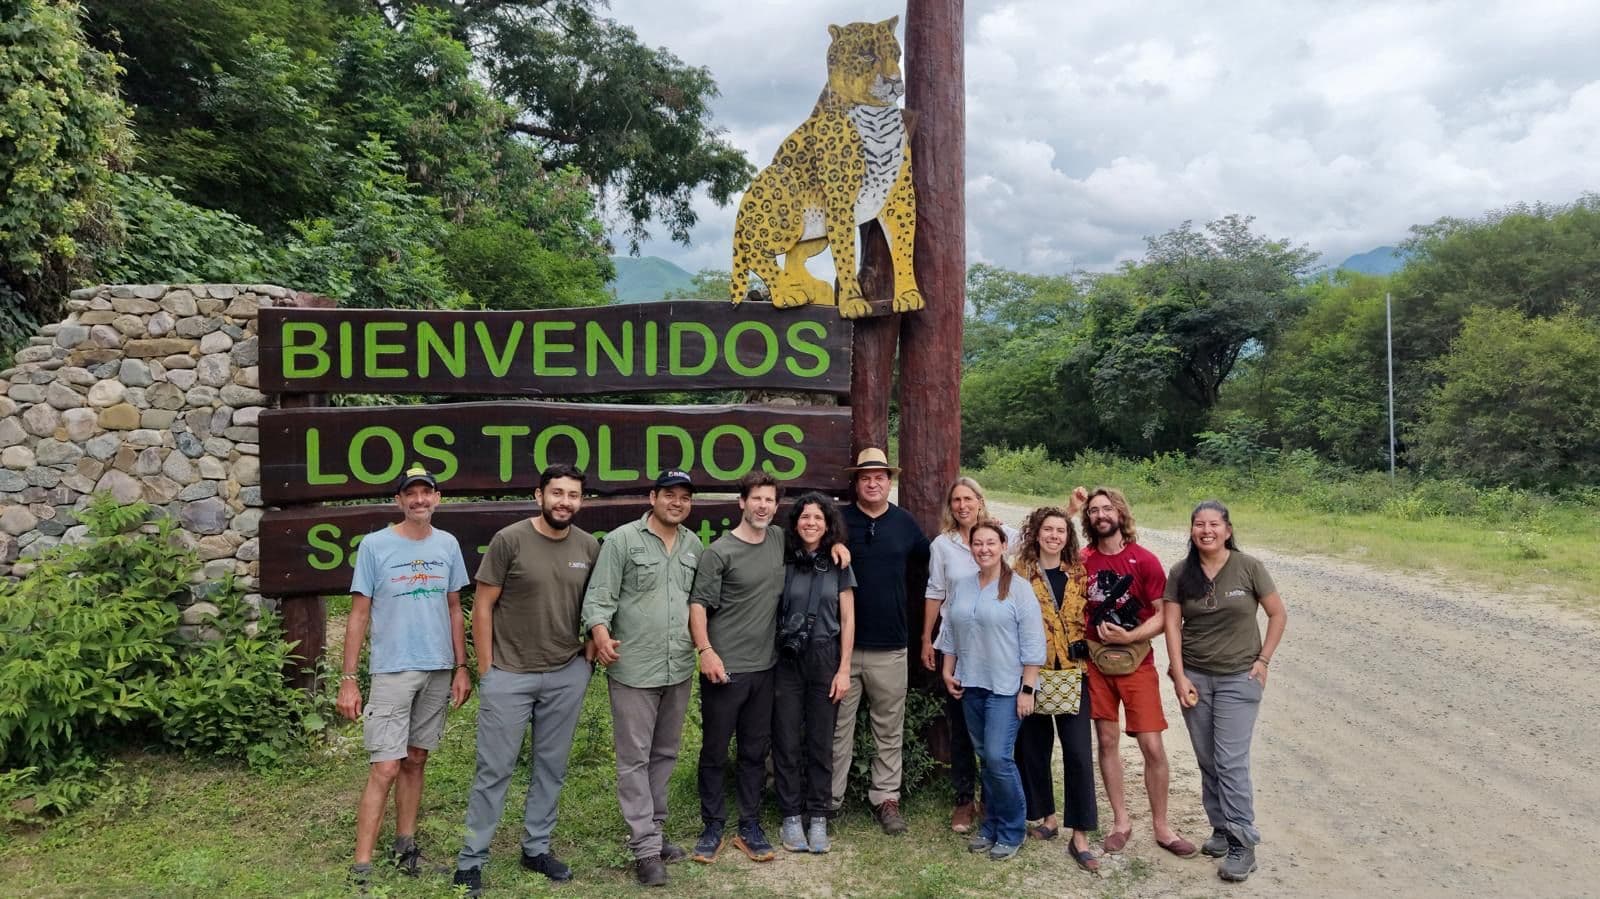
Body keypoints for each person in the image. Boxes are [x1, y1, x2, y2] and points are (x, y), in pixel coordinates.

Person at [452, 464, 598, 897]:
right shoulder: (509, 540)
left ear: (580, 501)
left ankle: (535, 849)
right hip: (509, 675)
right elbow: (482, 606)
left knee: (550, 768)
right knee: (493, 770)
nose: (564, 502)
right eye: (557, 493)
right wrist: (486, 669)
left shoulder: (589, 547)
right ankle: (471, 860)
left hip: (564, 673)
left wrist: (587, 655)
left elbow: (598, 603)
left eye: (572, 495)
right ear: (539, 495)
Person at [336, 467, 471, 889]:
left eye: (425, 493)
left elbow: (453, 607)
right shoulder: (375, 546)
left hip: (436, 666)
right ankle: (361, 865)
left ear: (437, 498)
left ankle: (405, 846)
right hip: (392, 668)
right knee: (386, 766)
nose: (418, 500)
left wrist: (462, 666)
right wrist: (348, 678)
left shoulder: (448, 544)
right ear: (399, 501)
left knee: (416, 759)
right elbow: (359, 614)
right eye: (410, 493)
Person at [580, 470, 699, 887]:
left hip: (678, 665)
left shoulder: (693, 544)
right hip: (634, 667)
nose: (677, 502)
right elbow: (599, 598)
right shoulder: (621, 541)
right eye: (670, 495)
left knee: (665, 753)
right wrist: (600, 634)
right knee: (634, 758)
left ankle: (656, 830)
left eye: (684, 497)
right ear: (653, 497)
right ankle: (645, 848)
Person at [1164, 501, 1288, 884]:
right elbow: (1171, 627)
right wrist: (1179, 676)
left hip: (1239, 678)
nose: (1206, 531)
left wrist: (1263, 660)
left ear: (1228, 530)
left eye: (1214, 524)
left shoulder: (1249, 567)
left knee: (1230, 759)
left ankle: (1242, 841)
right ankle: (1220, 826)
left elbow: (1277, 614)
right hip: (1196, 678)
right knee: (1207, 757)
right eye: (1199, 524)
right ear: (1191, 530)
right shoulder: (1181, 572)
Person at [1080, 487, 1197, 858]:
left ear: (1120, 514)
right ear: (1088, 519)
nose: (1101, 514)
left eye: (1107, 508)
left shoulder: (1144, 561)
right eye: (1094, 510)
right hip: (1097, 664)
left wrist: (1130, 634)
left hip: (1136, 663)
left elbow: (1165, 615)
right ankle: (1121, 821)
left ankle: (1162, 826)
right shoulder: (1082, 560)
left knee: (1152, 745)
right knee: (1108, 741)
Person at [830, 447, 931, 835]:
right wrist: (832, 544)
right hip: (843, 649)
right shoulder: (837, 521)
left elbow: (936, 561)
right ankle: (831, 800)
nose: (873, 483)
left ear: (890, 482)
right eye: (865, 477)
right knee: (837, 728)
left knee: (888, 728)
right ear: (855, 482)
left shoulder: (905, 524)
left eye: (880, 477)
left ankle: (886, 798)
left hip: (891, 647)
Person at [934, 520, 1046, 862]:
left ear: (1002, 547)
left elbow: (1033, 643)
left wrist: (1027, 689)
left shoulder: (1019, 588)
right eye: (978, 544)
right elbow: (951, 630)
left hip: (1007, 687)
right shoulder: (962, 586)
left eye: (990, 544)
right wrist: (947, 668)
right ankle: (991, 825)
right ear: (971, 548)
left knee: (999, 757)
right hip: (972, 685)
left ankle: (1012, 829)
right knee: (987, 759)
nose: (984, 549)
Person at [688, 472, 784, 865]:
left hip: (766, 668)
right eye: (757, 499)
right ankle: (712, 825)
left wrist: (840, 549)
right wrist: (705, 650)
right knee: (714, 751)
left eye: (770, 500)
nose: (763, 506)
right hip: (724, 669)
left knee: (753, 751)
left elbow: (819, 539)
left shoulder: (779, 539)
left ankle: (749, 825)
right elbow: (698, 606)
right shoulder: (720, 552)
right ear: (741, 502)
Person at [918, 477, 1018, 833]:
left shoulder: (1001, 534)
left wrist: (1068, 510)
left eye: (969, 499)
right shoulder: (943, 545)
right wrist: (927, 639)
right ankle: (964, 799)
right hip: (957, 647)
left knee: (995, 728)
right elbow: (936, 592)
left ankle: (993, 799)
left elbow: (1039, 541)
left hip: (998, 648)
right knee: (960, 727)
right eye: (956, 500)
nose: (962, 506)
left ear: (980, 500)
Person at [1012, 505, 1100, 872]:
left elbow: (1093, 617)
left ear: (1068, 537)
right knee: (1033, 749)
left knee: (1079, 754)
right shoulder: (1018, 573)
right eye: (1047, 530)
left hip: (1073, 672)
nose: (1053, 536)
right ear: (1036, 533)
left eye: (1060, 531)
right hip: (1032, 673)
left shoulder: (1080, 573)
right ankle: (1046, 816)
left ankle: (1080, 833)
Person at [772, 492, 856, 855]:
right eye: (804, 517)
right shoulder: (782, 559)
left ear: (828, 524)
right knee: (787, 739)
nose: (810, 523)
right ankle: (791, 815)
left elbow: (849, 618)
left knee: (822, 741)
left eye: (818, 518)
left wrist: (844, 668)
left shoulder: (838, 563)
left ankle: (818, 815)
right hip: (786, 660)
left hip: (826, 655)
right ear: (795, 523)